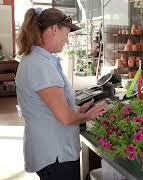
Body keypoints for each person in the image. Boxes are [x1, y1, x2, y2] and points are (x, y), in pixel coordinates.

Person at [15, 8, 108, 180]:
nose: (66, 40)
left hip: (47, 149)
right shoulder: (40, 65)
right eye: (66, 33)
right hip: (55, 155)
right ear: (54, 29)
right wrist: (89, 115)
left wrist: (77, 111)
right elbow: (65, 118)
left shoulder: (36, 59)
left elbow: (49, 108)